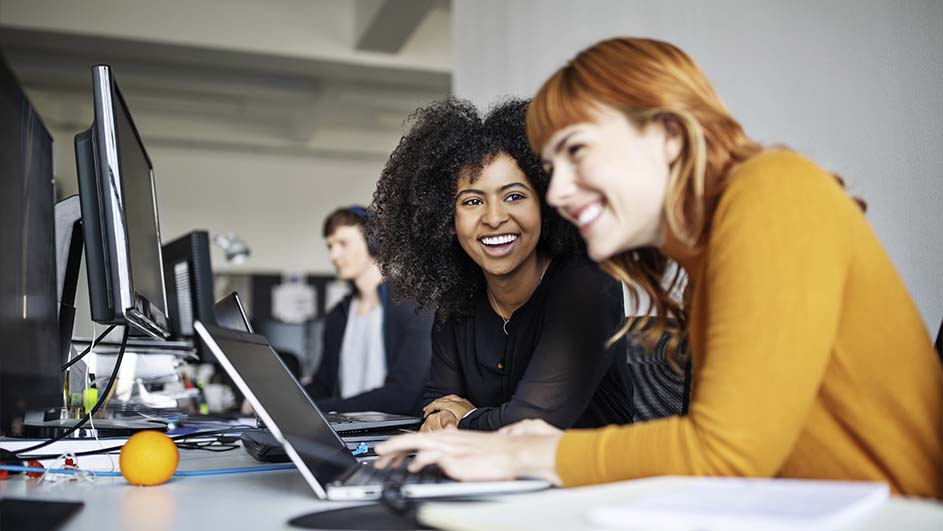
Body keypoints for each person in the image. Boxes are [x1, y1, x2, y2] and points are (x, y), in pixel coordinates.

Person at [375, 37, 942, 498]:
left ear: (668, 135)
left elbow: (724, 454)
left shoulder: (773, 192)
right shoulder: (716, 247)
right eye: (553, 167)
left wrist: (518, 450)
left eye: (577, 152)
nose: (561, 192)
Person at [370, 98, 635, 432]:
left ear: (546, 204)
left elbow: (532, 424)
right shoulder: (457, 303)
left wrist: (464, 417)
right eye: (472, 201)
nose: (494, 218)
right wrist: (447, 418)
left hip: (592, 480)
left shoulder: (588, 286)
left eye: (514, 196)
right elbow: (437, 408)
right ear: (448, 221)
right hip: (495, 478)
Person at [304, 206, 434, 416]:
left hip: (395, 436)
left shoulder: (414, 307)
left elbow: (402, 395)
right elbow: (322, 385)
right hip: (345, 434)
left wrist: (317, 411)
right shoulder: (338, 314)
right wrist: (277, 404)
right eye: (330, 246)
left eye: (343, 243)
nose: (334, 255)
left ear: (373, 242)